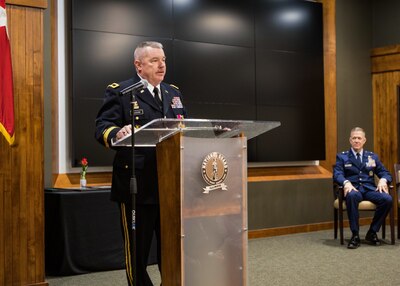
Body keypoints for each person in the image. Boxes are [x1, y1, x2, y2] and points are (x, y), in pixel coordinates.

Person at [95, 41, 187, 286]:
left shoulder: (173, 92)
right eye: (154, 60)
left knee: (172, 247)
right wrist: (118, 133)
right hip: (137, 184)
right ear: (138, 65)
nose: (161, 65)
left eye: (164, 60)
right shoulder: (122, 91)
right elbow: (102, 127)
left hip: (170, 184)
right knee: (137, 252)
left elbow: (183, 129)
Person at [333, 127, 392, 249]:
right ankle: (355, 235)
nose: (356, 140)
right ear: (350, 140)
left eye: (359, 138)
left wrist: (383, 180)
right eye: (354, 138)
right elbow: (337, 174)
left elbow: (385, 173)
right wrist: (346, 182)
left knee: (387, 199)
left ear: (364, 140)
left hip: (369, 189)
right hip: (353, 189)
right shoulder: (342, 157)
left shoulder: (372, 157)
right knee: (352, 196)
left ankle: (372, 232)